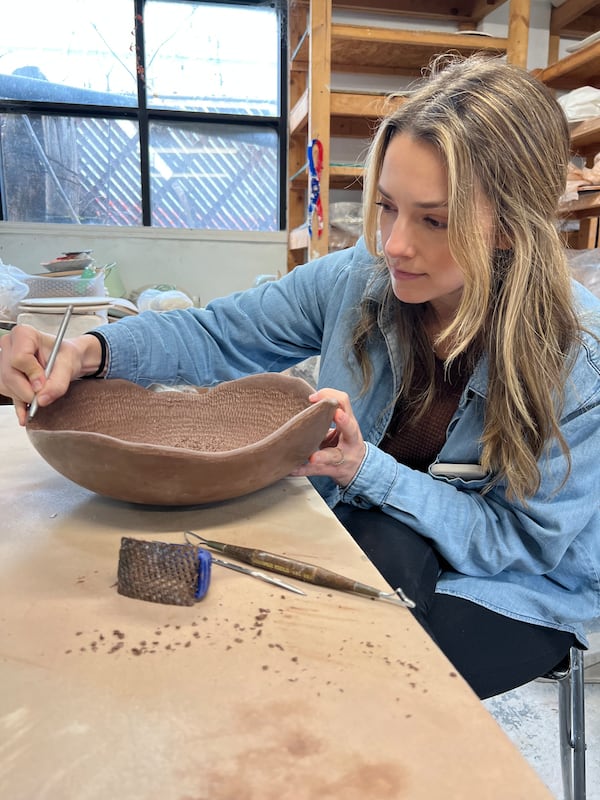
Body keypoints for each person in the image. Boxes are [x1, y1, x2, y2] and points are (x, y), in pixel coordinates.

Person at [1, 54, 599, 699]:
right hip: (387, 524)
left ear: (512, 226)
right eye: (386, 206)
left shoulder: (578, 359)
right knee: (260, 640)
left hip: (517, 581)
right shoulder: (360, 278)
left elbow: (521, 543)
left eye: (435, 220)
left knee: (354, 685)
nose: (394, 244)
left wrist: (364, 469)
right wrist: (88, 351)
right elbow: (219, 333)